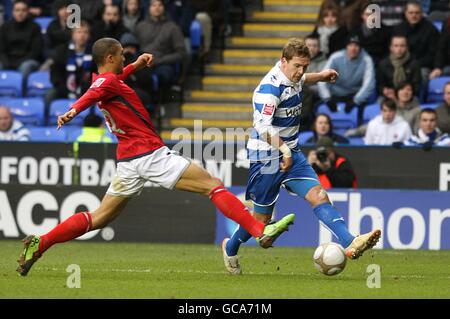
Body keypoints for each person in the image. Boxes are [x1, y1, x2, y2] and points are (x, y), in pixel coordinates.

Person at [16, 37, 295, 277]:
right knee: (213, 185)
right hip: (149, 154)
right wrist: (72, 111)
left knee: (99, 218)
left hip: (128, 160)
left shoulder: (107, 79)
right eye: (122, 55)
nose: (125, 57)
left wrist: (134, 66)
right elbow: (93, 93)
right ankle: (260, 231)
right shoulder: (103, 83)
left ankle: (41, 243)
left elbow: (106, 83)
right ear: (110, 57)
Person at [221, 38, 381, 275]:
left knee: (319, 195)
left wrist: (322, 75)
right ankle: (230, 247)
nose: (301, 72)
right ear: (282, 61)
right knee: (261, 219)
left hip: (292, 153)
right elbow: (264, 129)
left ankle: (350, 241)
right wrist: (283, 150)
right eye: (297, 66)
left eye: (304, 66)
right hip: (266, 157)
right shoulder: (268, 90)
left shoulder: (294, 76)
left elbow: (302, 79)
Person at [317, 34, 375, 121]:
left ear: (360, 48)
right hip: (335, 94)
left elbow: (369, 83)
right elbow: (322, 78)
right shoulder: (336, 57)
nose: (353, 48)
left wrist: (356, 100)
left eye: (356, 45)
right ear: (346, 46)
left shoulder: (367, 60)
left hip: (354, 95)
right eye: (350, 45)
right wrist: (327, 98)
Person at [135, 0, 186, 89]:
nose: (157, 7)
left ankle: (159, 100)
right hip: (143, 62)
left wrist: (160, 60)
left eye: (160, 5)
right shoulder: (140, 26)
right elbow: (134, 49)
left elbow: (181, 53)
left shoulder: (172, 27)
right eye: (154, 5)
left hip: (164, 63)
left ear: (164, 8)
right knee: (138, 76)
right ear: (149, 8)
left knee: (163, 75)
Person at [0, 0, 43, 80]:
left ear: (27, 12)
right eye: (17, 10)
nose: (20, 13)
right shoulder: (5, 27)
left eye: (23, 10)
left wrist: (19, 63)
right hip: (8, 60)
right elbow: (2, 50)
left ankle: (23, 92)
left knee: (25, 67)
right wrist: (7, 63)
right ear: (13, 12)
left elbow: (35, 51)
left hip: (27, 60)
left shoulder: (35, 27)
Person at [377, 35, 420, 100]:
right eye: (396, 46)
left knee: (416, 101)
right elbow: (379, 86)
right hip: (389, 97)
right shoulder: (383, 64)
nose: (399, 49)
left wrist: (404, 93)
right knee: (379, 101)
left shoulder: (414, 64)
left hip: (408, 95)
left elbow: (416, 87)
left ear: (407, 48)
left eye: (402, 46)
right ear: (391, 48)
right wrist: (384, 91)